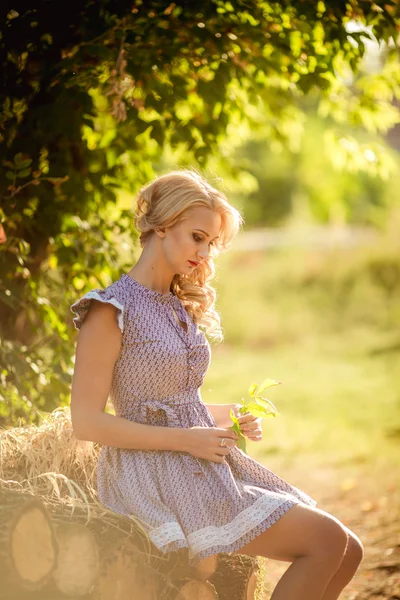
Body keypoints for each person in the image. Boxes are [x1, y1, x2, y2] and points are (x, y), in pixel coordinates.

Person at [70, 169, 364, 600]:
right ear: (162, 225)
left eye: (211, 243)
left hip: (197, 464)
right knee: (326, 542)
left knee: (349, 550)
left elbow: (173, 401)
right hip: (153, 475)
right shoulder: (109, 311)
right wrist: (187, 441)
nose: (204, 252)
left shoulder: (177, 305)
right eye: (197, 237)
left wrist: (228, 418)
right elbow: (87, 423)